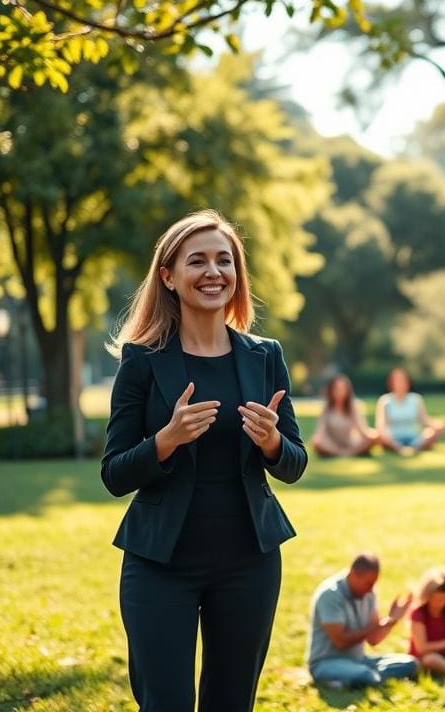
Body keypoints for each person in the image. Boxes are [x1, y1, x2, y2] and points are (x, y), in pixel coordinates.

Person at [102, 210, 308, 712]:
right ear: (169, 277)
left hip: (249, 563)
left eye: (225, 260)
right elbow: (114, 473)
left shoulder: (265, 355)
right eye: (198, 261)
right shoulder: (142, 359)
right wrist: (165, 440)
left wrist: (272, 444)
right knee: (164, 702)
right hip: (160, 565)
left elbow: (295, 462)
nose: (214, 272)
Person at [306, 553, 418, 688]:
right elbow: (340, 642)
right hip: (327, 662)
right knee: (367, 675)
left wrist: (392, 621)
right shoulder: (330, 595)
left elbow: (373, 639)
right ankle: (362, 678)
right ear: (353, 575)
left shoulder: (368, 593)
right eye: (368, 584)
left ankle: (354, 680)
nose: (371, 589)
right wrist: (376, 625)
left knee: (411, 663)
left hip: (359, 660)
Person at [375, 367, 445, 453]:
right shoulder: (385, 400)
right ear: (391, 383)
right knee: (378, 434)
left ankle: (414, 447)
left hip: (414, 438)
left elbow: (425, 420)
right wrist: (390, 441)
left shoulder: (416, 399)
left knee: (434, 430)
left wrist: (438, 425)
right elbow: (381, 425)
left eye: (403, 380)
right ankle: (398, 448)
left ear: (408, 382)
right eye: (398, 381)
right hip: (393, 438)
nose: (400, 383)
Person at [311, 374, 378, 457]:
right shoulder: (326, 408)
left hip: (352, 443)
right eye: (337, 389)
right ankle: (344, 453)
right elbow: (320, 431)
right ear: (331, 390)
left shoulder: (354, 406)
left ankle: (345, 453)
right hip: (331, 444)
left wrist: (373, 437)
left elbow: (363, 430)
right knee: (317, 442)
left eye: (342, 389)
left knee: (375, 436)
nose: (340, 392)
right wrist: (317, 440)